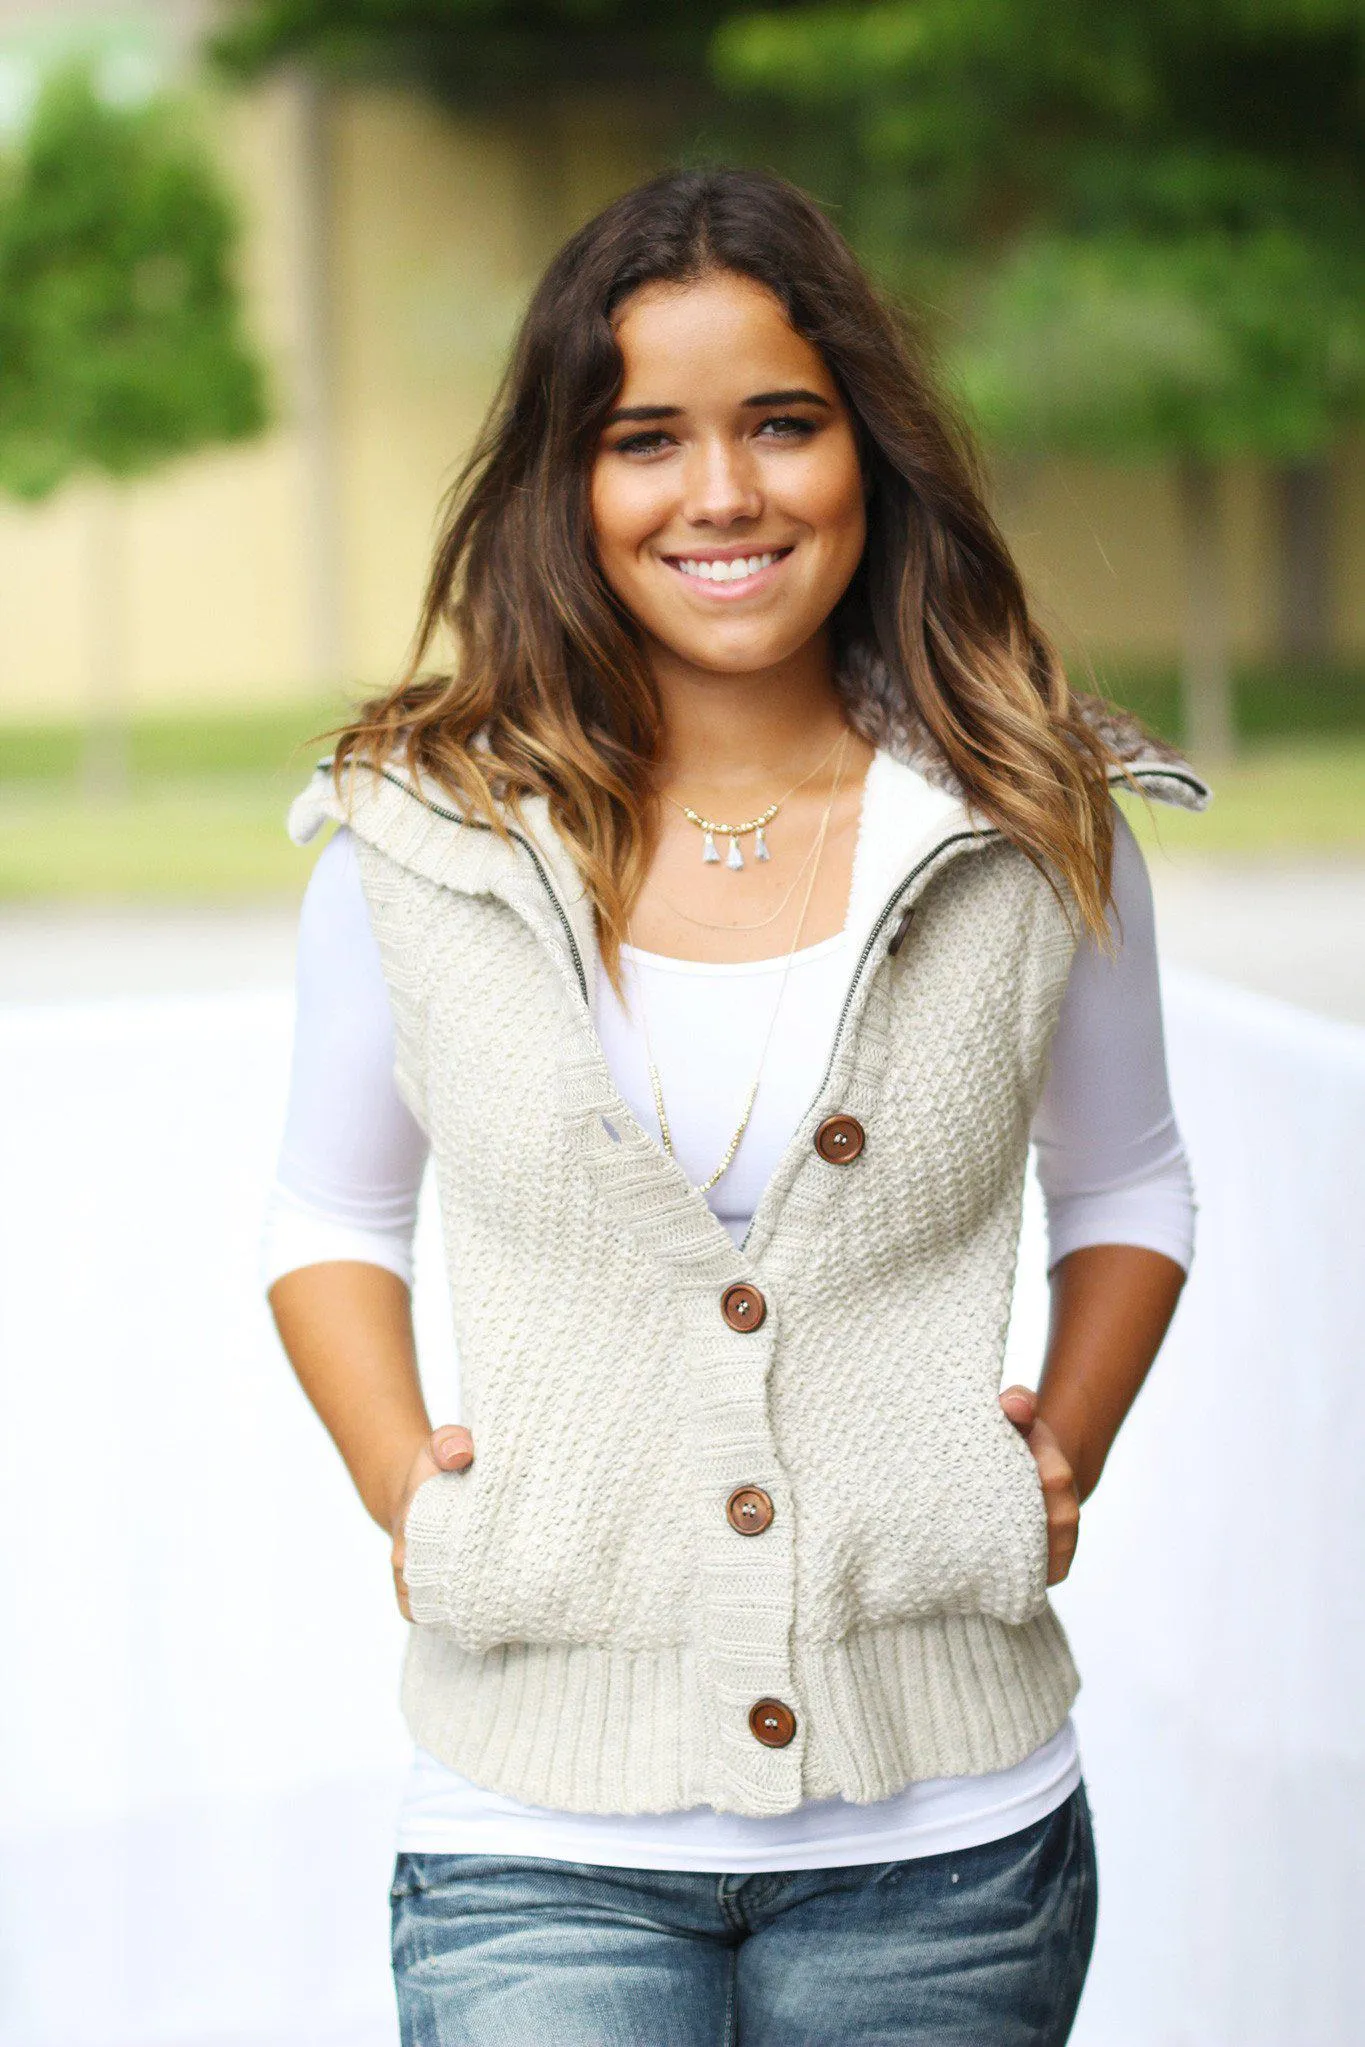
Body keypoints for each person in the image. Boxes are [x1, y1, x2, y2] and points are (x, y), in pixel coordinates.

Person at [264, 166, 1208, 2046]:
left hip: (950, 1851)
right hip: (532, 1838)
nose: (723, 494)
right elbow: (328, 1218)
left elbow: (1133, 1184)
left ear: (869, 449)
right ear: (568, 481)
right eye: (647, 440)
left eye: (782, 423)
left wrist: (1059, 1461)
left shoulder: (1028, 820)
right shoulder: (416, 839)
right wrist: (409, 1501)